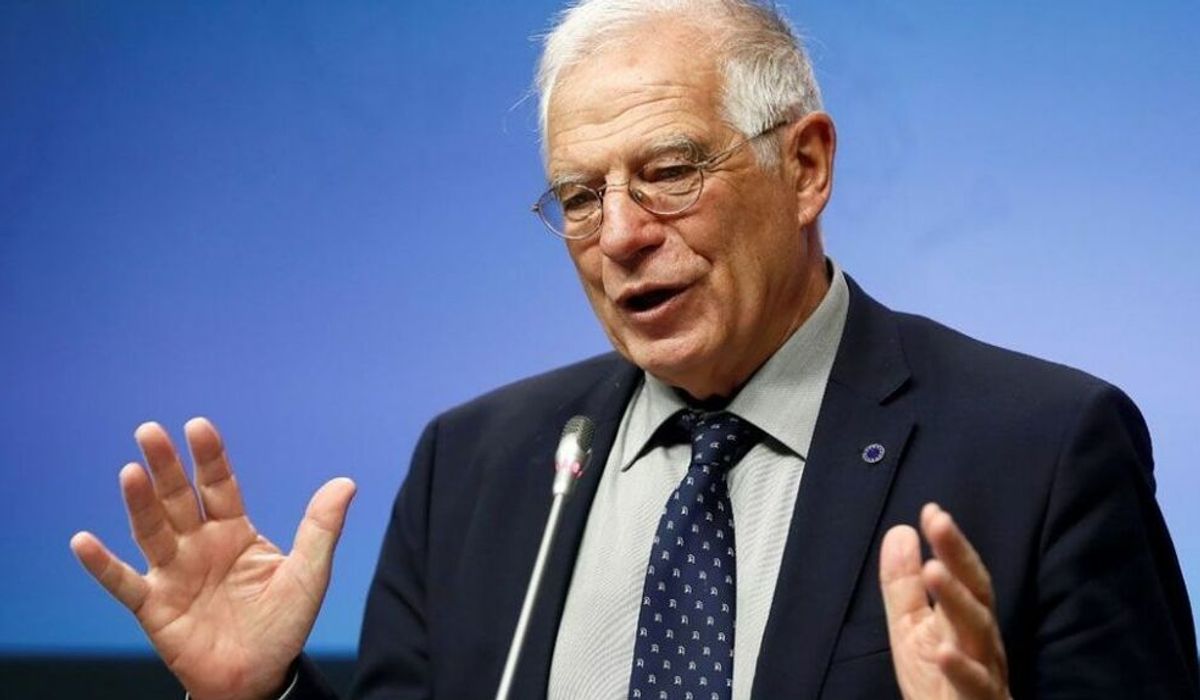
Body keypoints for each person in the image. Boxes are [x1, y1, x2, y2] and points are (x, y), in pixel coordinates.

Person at [70, 1, 1199, 698]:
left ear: (805, 168)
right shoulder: (476, 466)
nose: (618, 236)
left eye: (667, 172)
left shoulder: (1042, 449)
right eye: (578, 196)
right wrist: (258, 696)